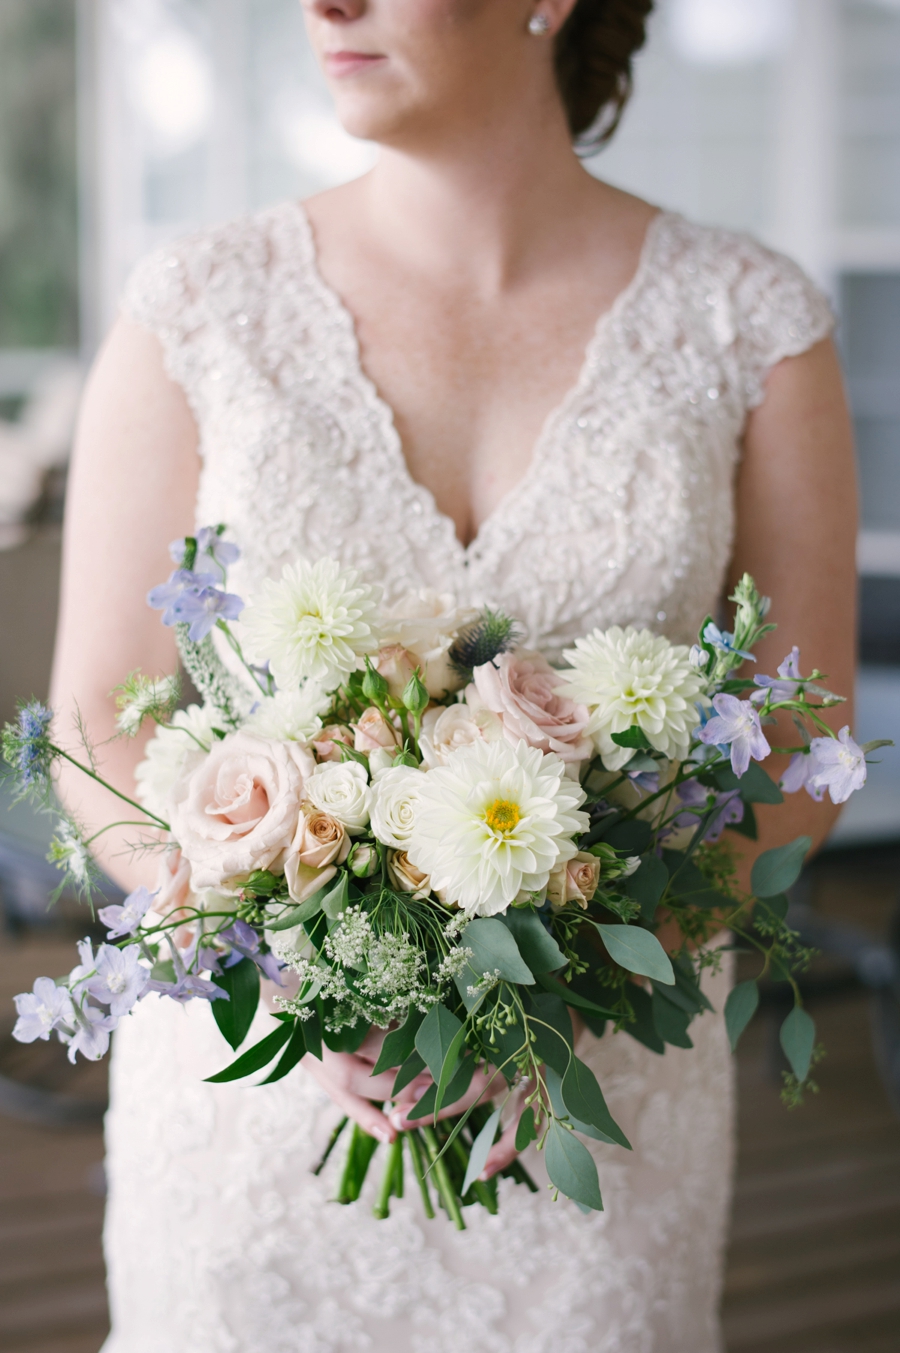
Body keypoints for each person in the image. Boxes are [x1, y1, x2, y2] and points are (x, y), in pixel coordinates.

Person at [50, 0, 856, 1347]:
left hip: (596, 1124)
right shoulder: (194, 306)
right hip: (256, 1122)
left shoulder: (750, 324)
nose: (325, 4)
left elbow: (797, 745)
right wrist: (310, 967)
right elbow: (95, 721)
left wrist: (556, 984)